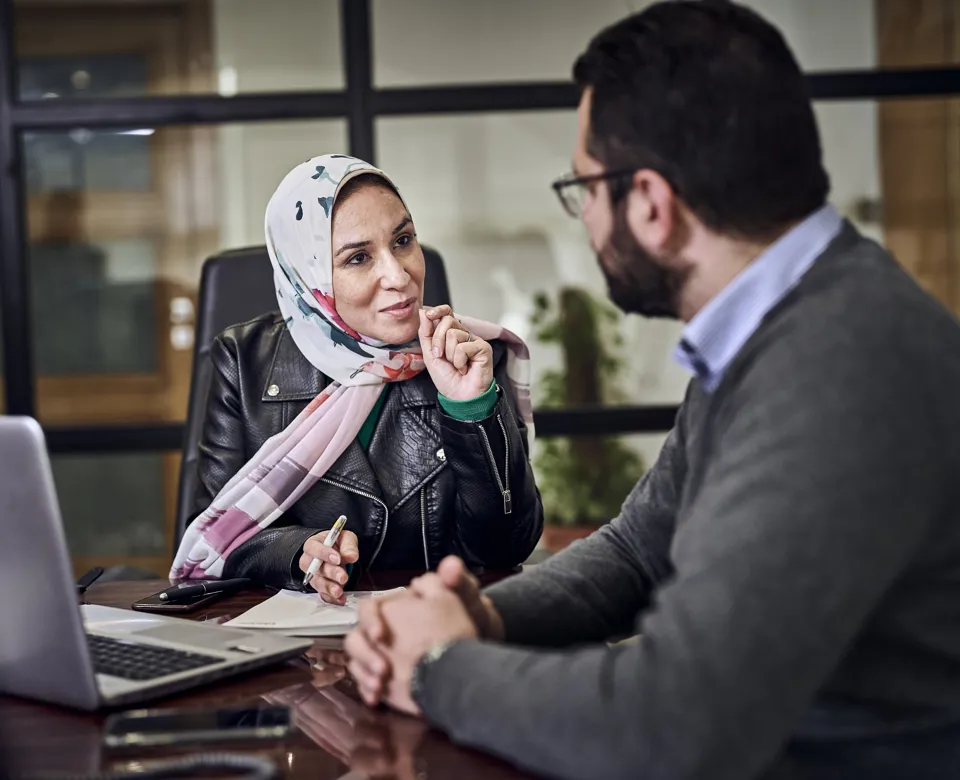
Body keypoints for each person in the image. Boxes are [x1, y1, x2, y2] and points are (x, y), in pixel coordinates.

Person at [344, 3, 960, 779]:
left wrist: (438, 667)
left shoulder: (844, 363)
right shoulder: (778, 324)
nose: (585, 217)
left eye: (585, 189)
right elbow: (640, 550)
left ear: (652, 206)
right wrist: (483, 616)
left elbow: (672, 722)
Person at [171, 154, 542, 599]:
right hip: (297, 650)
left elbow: (505, 550)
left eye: (402, 240)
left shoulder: (471, 356)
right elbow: (215, 538)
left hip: (432, 636)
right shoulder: (243, 361)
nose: (398, 275)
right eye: (359, 258)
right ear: (309, 279)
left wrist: (470, 408)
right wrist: (296, 551)